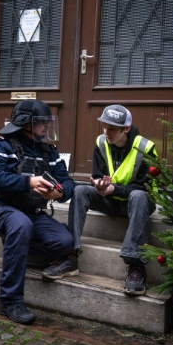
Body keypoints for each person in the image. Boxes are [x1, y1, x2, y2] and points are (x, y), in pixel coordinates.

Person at [42, 104, 157, 296]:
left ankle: (136, 265)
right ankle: (70, 255)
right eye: (105, 127)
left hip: (138, 203)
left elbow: (145, 187)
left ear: (126, 129)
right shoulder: (102, 142)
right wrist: (100, 186)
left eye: (112, 128)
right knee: (80, 191)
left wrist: (115, 189)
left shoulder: (145, 148)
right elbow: (98, 175)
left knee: (139, 196)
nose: (107, 132)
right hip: (111, 199)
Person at [0, 100, 75, 324]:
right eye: (42, 122)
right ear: (26, 124)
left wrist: (60, 193)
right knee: (20, 225)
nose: (46, 127)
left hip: (32, 212)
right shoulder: (3, 145)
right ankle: (9, 301)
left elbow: (69, 182)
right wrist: (29, 182)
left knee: (64, 242)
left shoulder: (49, 150)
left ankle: (17, 243)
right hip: (1, 208)